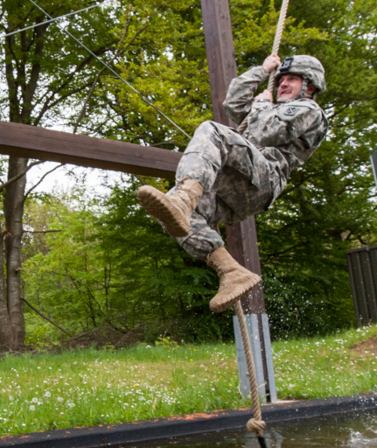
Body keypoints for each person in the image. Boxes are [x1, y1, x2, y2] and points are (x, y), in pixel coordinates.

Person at [137, 54, 328, 313]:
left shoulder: (309, 110)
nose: (283, 84)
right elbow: (234, 102)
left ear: (310, 85)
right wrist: (262, 71)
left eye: (292, 79)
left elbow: (264, 132)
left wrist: (261, 104)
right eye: (281, 79)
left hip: (265, 178)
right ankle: (229, 269)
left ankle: (184, 198)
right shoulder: (270, 108)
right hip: (239, 183)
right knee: (172, 215)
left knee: (212, 131)